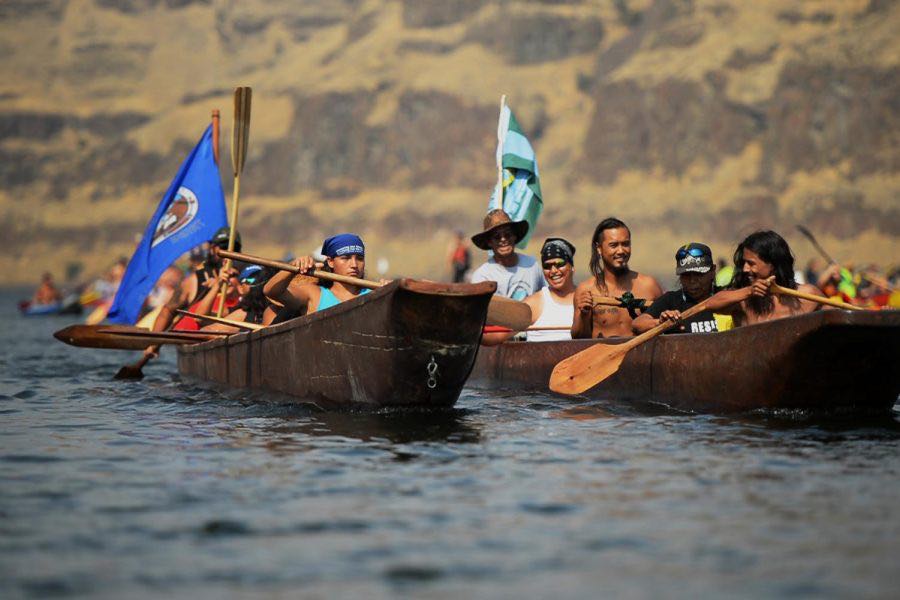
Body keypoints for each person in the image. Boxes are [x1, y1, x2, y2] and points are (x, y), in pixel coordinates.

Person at [142, 227, 241, 358]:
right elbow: (168, 311)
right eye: (223, 246)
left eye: (234, 247)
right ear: (212, 249)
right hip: (197, 343)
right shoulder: (194, 281)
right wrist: (153, 344)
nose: (229, 251)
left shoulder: (244, 277)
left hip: (232, 339)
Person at [705, 230, 825, 326]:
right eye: (744, 263)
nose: (745, 269)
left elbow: (838, 320)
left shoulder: (808, 295)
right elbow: (709, 305)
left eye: (751, 263)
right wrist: (749, 291)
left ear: (772, 264)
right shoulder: (742, 299)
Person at [571, 217, 663, 338]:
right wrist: (584, 315)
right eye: (613, 245)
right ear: (599, 248)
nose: (620, 251)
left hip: (642, 355)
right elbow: (578, 339)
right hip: (603, 355)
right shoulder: (586, 290)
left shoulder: (649, 286)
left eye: (625, 244)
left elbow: (665, 328)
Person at [481, 238, 577, 346]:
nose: (553, 271)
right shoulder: (534, 304)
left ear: (572, 266)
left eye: (559, 264)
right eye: (547, 266)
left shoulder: (585, 298)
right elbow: (496, 336)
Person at [264, 233, 373, 322]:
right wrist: (293, 267)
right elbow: (271, 291)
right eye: (346, 258)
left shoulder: (374, 293)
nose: (354, 264)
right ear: (330, 262)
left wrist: (389, 292)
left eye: (359, 258)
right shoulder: (314, 294)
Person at [633, 243, 726, 335]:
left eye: (698, 274)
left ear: (713, 271)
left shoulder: (726, 296)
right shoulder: (671, 300)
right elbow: (637, 324)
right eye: (686, 275)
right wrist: (660, 323)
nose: (692, 281)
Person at [470, 209, 545, 300]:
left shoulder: (532, 265)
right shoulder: (482, 276)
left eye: (508, 234)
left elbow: (546, 297)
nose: (503, 239)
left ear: (514, 237)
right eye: (497, 237)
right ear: (489, 242)